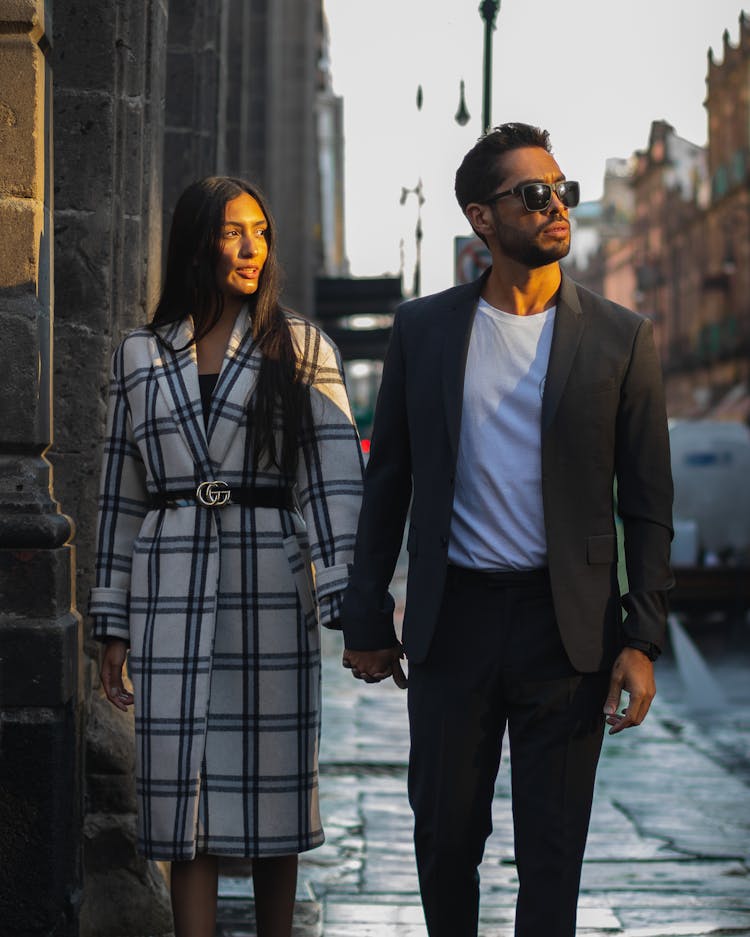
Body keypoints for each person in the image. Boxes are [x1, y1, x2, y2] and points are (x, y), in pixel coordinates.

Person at [341, 123, 674, 937]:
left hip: (569, 633)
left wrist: (642, 637)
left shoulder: (623, 338)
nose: (555, 205)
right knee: (445, 837)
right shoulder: (424, 330)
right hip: (454, 622)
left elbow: (648, 500)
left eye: (562, 190)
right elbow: (389, 480)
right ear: (481, 218)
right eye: (533, 194)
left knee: (554, 853)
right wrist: (364, 613)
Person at [90, 176, 363, 937]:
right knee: (183, 792)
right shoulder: (140, 355)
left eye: (262, 233)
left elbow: (335, 481)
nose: (252, 248)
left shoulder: (301, 346)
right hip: (169, 579)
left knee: (274, 786)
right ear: (197, 240)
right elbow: (120, 495)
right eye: (234, 232)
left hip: (270, 581)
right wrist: (111, 620)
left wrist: (350, 606)